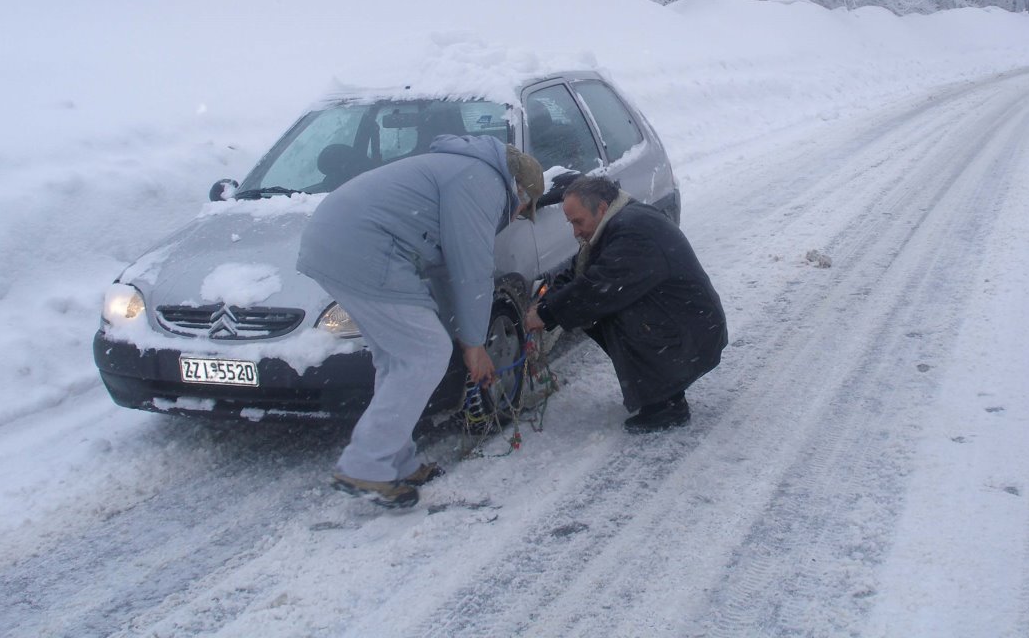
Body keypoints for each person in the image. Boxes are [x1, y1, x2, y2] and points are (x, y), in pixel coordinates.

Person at [297, 134, 544, 508]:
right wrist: (474, 346)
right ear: (519, 190)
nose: (518, 215)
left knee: (399, 359)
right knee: (426, 353)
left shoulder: (463, 169)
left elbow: (445, 272)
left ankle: (395, 461)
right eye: (524, 208)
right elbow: (471, 269)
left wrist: (465, 337)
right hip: (364, 247)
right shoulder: (483, 182)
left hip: (336, 240)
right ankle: (366, 465)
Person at [524, 176, 726, 432]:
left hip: (692, 332)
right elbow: (579, 272)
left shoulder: (634, 232)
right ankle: (662, 390)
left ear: (601, 208)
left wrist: (546, 313)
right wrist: (546, 300)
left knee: (610, 307)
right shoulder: (618, 221)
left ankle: (667, 404)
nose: (575, 231)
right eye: (571, 223)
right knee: (598, 308)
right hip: (683, 324)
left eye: (578, 222)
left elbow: (598, 286)